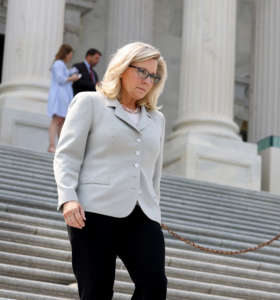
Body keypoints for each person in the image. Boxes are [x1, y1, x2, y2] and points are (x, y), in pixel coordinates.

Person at [53, 42, 167, 300]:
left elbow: (154, 174)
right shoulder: (89, 103)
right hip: (93, 212)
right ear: (123, 69)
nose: (147, 80)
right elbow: (67, 155)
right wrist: (68, 198)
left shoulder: (157, 120)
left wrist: (155, 210)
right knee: (96, 291)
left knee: (154, 285)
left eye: (153, 75)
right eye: (142, 71)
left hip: (142, 215)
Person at [47, 44, 80, 153]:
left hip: (64, 96)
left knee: (62, 121)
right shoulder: (58, 64)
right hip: (59, 96)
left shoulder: (62, 65)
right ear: (66, 54)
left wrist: (71, 73)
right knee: (56, 120)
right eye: (70, 54)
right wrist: (73, 78)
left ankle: (59, 146)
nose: (71, 57)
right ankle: (52, 145)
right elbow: (61, 79)